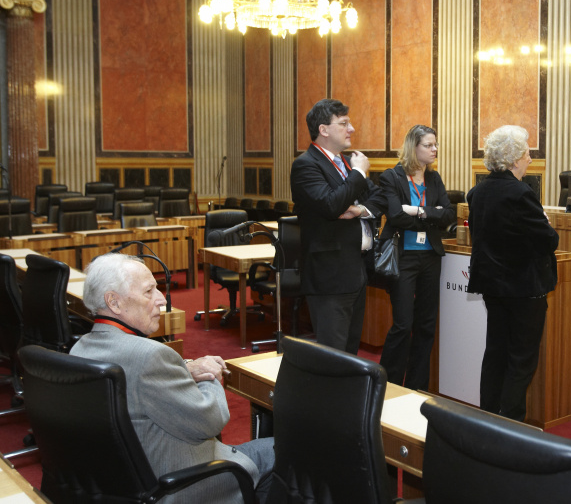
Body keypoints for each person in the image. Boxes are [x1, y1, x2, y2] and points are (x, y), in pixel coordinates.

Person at [70, 253, 274, 503]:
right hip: (179, 483)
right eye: (149, 292)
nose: (160, 300)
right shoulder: (150, 356)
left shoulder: (80, 348)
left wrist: (186, 367)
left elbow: (135, 382)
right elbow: (211, 421)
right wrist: (210, 373)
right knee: (281, 450)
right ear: (114, 302)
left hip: (122, 482)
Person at [466, 125, 559, 422]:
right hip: (524, 289)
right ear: (514, 158)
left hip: (493, 287)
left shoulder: (477, 191)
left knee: (495, 353)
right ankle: (512, 423)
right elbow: (548, 241)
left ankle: (488, 416)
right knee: (521, 359)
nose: (531, 159)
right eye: (528, 153)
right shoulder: (520, 193)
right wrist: (544, 221)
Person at [290, 98, 385, 354]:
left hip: (357, 269)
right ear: (324, 129)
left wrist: (358, 210)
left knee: (350, 352)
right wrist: (358, 174)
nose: (351, 129)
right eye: (344, 123)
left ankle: (348, 396)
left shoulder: (345, 162)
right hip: (329, 276)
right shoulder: (306, 165)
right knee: (333, 354)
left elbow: (380, 197)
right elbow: (331, 205)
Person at [378, 125, 455, 391]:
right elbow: (396, 216)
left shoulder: (434, 179)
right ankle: (387, 385)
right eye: (429, 145)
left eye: (435, 145)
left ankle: (416, 387)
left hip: (430, 258)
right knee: (402, 324)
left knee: (426, 324)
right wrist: (429, 213)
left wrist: (419, 212)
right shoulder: (392, 177)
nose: (435, 149)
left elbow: (448, 215)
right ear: (414, 147)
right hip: (403, 257)